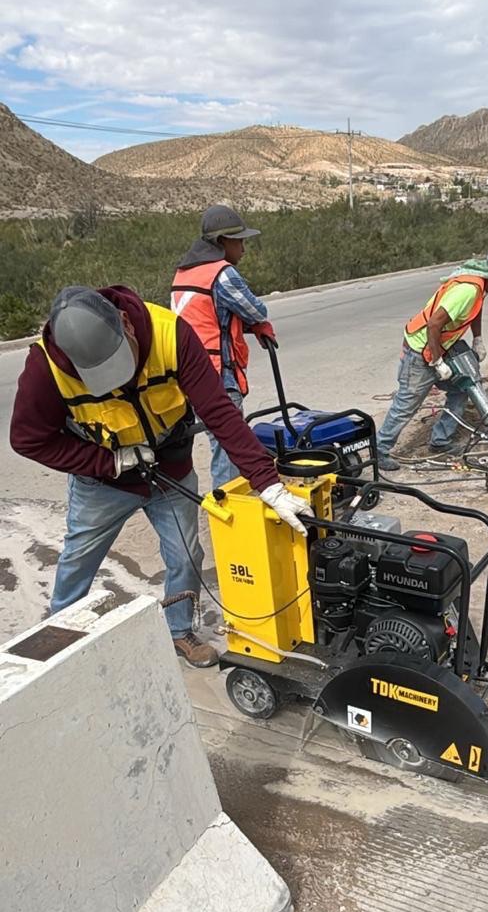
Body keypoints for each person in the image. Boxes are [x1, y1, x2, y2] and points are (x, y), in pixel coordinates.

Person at [10, 285, 308, 668]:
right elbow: (29, 439)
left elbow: (219, 411)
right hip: (103, 481)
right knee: (78, 561)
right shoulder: (46, 368)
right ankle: (60, 643)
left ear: (125, 324)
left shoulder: (171, 334)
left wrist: (268, 484)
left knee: (186, 555)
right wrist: (109, 462)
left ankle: (179, 631)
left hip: (169, 467)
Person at [375, 248, 488, 471]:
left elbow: (476, 311)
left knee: (461, 388)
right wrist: (437, 362)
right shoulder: (467, 290)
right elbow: (434, 324)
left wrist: (478, 338)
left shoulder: (480, 286)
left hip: (438, 349)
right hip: (420, 351)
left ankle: (440, 440)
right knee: (407, 404)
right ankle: (379, 449)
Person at [171, 204, 275, 488]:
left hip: (188, 373)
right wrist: (255, 324)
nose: (243, 248)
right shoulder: (222, 274)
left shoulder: (184, 272)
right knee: (229, 446)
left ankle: (230, 501)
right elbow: (257, 311)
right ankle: (230, 513)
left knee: (217, 441)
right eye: (239, 241)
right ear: (221, 243)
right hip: (217, 374)